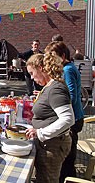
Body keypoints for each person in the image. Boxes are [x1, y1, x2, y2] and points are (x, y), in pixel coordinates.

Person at [25, 53, 75, 183]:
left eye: (32, 73)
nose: (31, 77)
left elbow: (68, 119)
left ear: (41, 68)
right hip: (48, 143)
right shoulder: (50, 86)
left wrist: (40, 132)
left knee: (48, 180)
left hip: (52, 145)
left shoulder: (56, 88)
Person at [44, 41, 84, 182]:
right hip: (76, 115)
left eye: (53, 56)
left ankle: (69, 179)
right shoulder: (69, 67)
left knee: (67, 159)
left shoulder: (67, 70)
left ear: (62, 55)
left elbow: (71, 96)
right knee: (69, 157)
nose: (51, 61)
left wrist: (54, 107)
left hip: (74, 118)